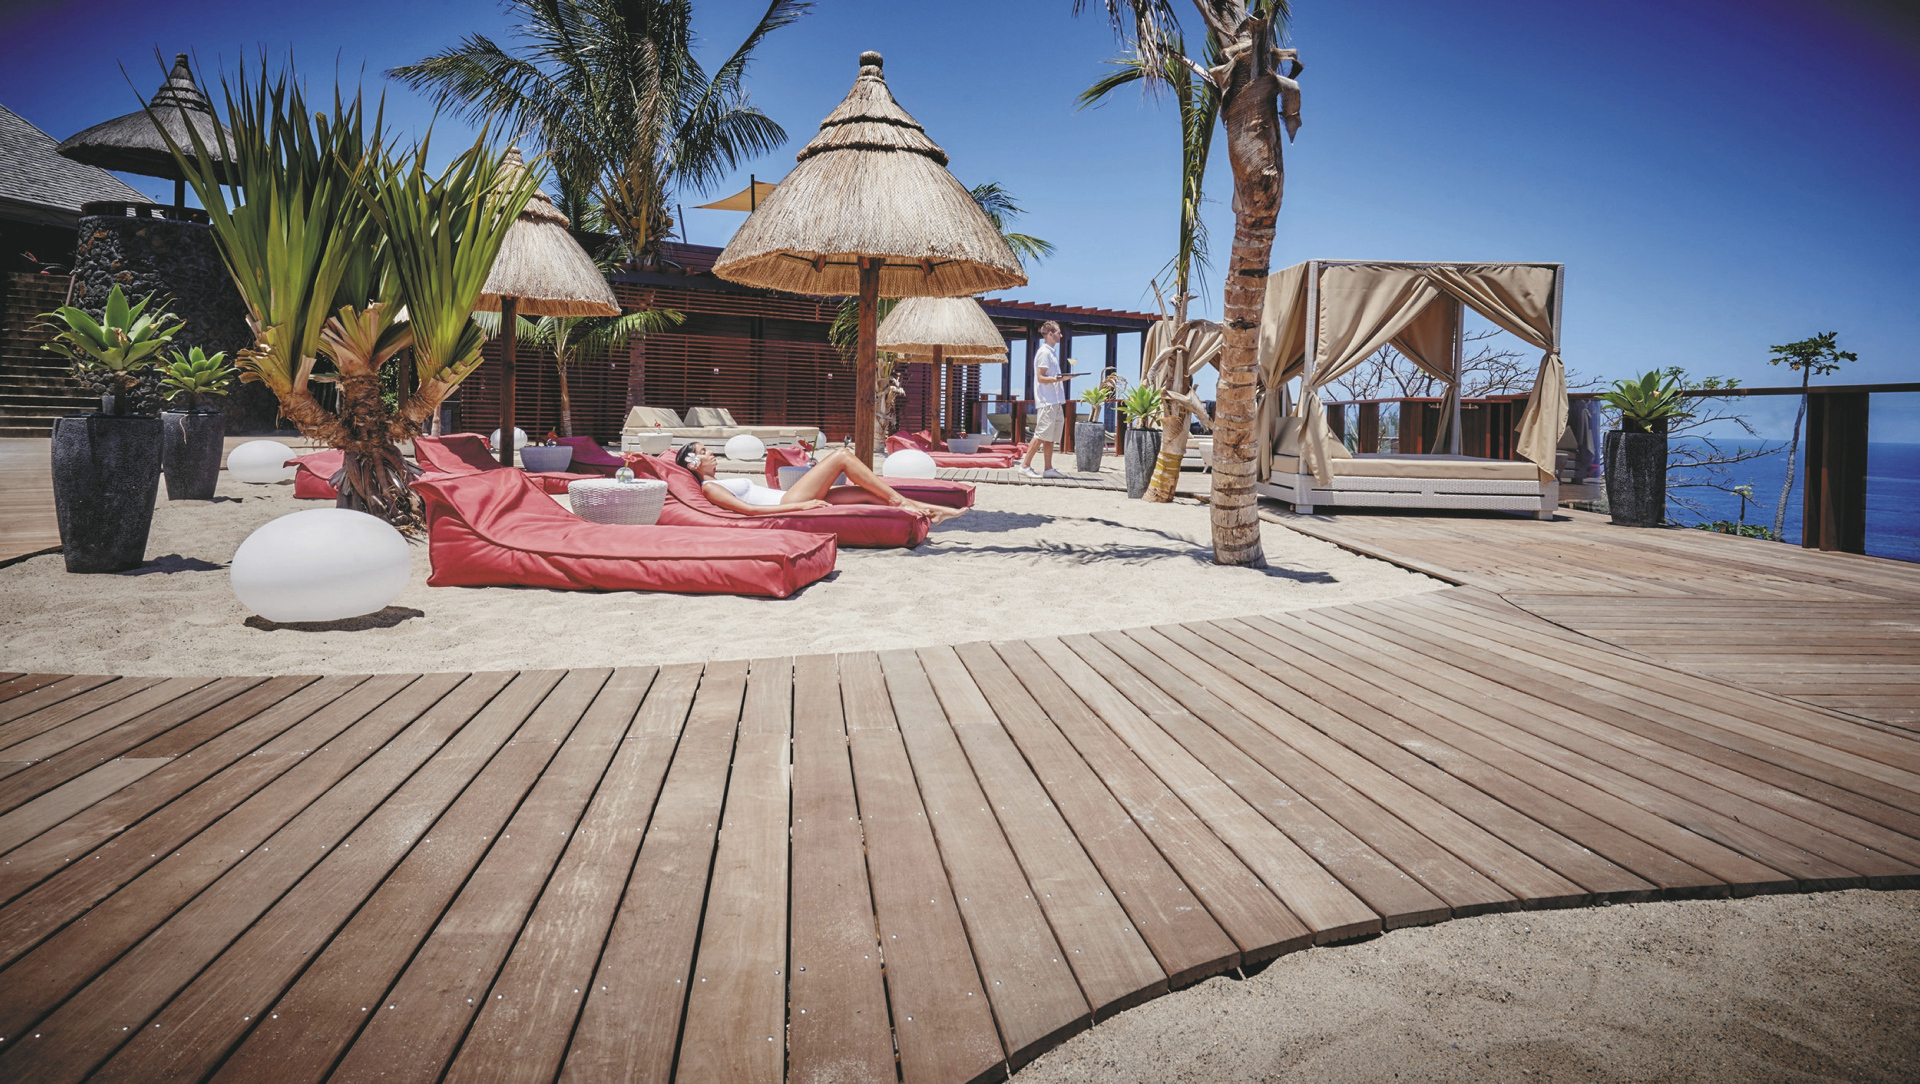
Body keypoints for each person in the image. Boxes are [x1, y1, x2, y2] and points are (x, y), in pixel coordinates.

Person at [675, 441, 965, 524]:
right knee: (841, 455)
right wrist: (800, 507)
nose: (710, 453)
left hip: (792, 497)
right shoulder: (709, 488)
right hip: (789, 501)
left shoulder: (719, 481)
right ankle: (901, 502)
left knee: (865, 492)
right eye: (703, 452)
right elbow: (750, 511)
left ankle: (935, 511)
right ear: (692, 463)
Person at [1019, 321, 1070, 478]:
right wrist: (1059, 379)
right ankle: (1025, 466)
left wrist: (1061, 378)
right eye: (1059, 332)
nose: (1061, 335)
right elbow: (1040, 378)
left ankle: (1048, 469)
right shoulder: (1044, 353)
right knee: (1041, 434)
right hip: (1047, 401)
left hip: (1056, 401)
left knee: (1050, 436)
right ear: (1050, 334)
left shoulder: (1051, 352)